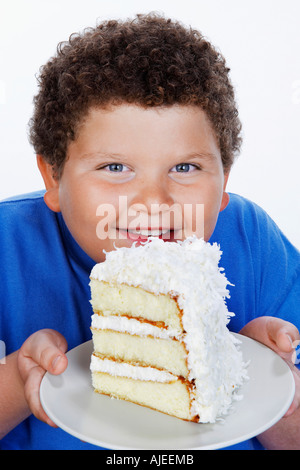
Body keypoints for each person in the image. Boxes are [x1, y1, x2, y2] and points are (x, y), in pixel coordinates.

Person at [0, 13, 299, 450]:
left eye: (185, 167)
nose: (154, 203)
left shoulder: (254, 240)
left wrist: (264, 380)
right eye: (115, 167)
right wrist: (15, 377)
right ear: (54, 177)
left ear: (224, 181)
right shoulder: (8, 245)